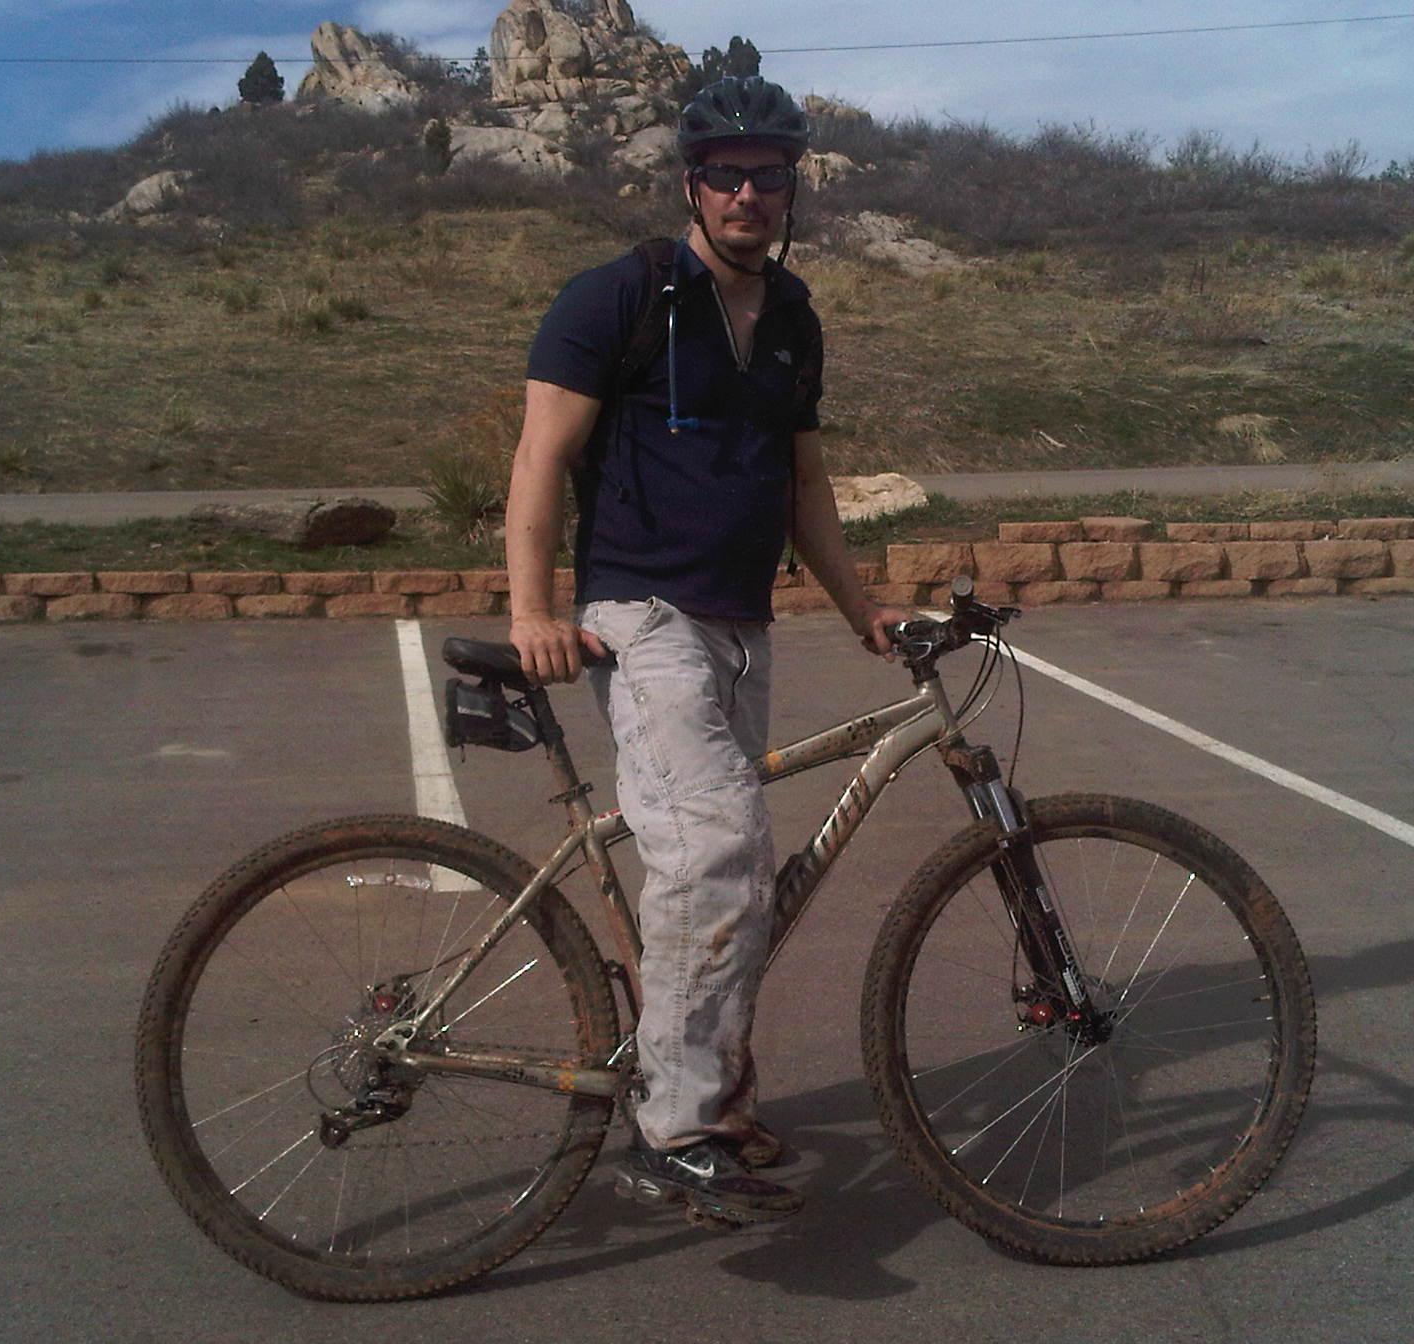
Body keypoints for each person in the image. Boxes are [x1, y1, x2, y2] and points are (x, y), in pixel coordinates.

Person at [504, 75, 909, 1226]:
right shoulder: (617, 298)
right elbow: (538, 459)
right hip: (641, 617)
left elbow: (804, 485)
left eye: (768, 176)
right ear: (691, 184)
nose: (747, 194)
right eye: (726, 174)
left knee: (723, 865)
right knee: (719, 848)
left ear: (791, 188)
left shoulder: (791, 318)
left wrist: (861, 610)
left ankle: (715, 1105)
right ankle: (672, 1131)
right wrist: (532, 609)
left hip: (741, 626)